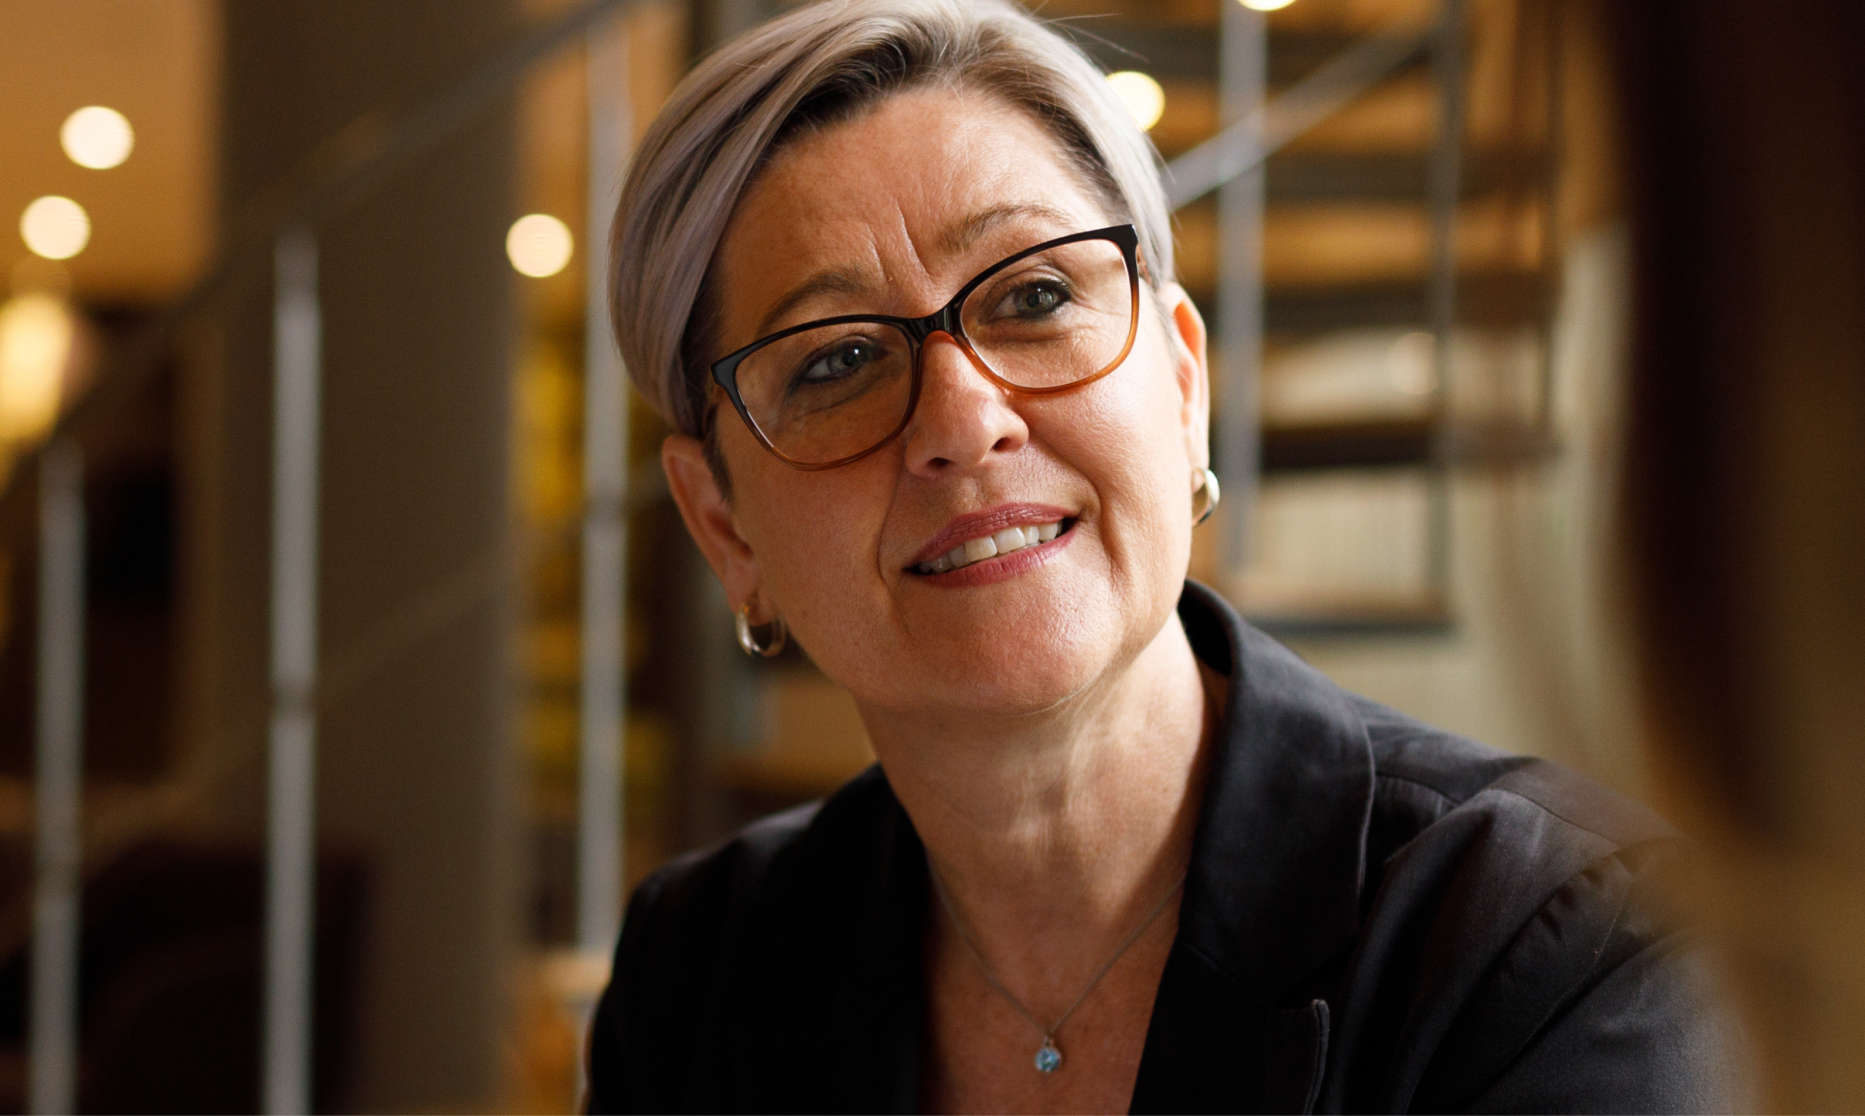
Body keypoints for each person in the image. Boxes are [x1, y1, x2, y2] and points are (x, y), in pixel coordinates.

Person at [586, 0, 1739, 1111]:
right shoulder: (697, 969)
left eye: (1036, 294)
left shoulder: (1550, 947)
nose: (964, 421)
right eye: (833, 362)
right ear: (725, 527)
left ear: (1183, 390)